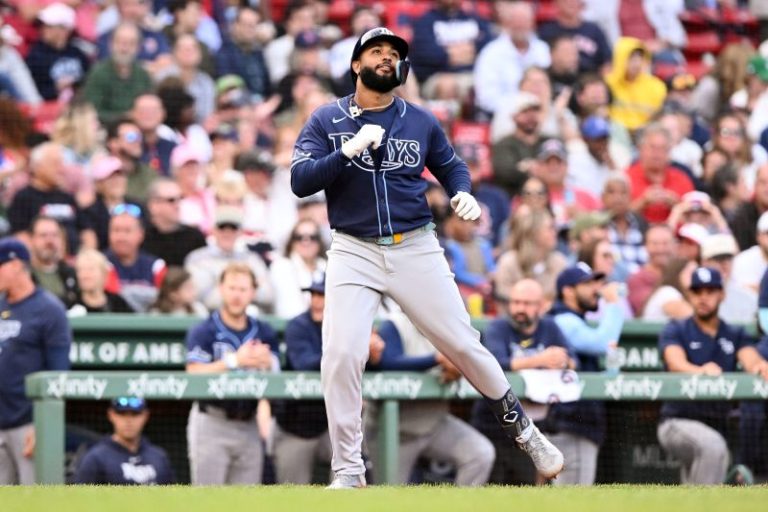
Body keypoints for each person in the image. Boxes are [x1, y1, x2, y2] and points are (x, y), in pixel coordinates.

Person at [290, 27, 563, 489]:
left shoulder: (419, 120)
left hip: (415, 244)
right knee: (340, 353)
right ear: (356, 64)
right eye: (375, 51)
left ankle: (524, 430)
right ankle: (348, 470)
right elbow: (300, 179)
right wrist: (346, 151)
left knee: (463, 343)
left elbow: (452, 164)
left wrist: (461, 192)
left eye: (393, 53)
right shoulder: (326, 118)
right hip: (353, 248)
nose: (385, 58)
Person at [657, 266, 768, 484]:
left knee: (712, 455)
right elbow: (674, 362)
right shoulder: (677, 328)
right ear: (690, 295)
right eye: (698, 292)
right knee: (713, 447)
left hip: (717, 423)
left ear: (722, 294)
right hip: (678, 421)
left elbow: (751, 359)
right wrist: (700, 371)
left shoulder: (734, 333)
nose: (703, 298)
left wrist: (760, 365)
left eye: (710, 291)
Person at [368, 310, 495, 486]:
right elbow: (388, 362)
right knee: (389, 495)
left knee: (480, 453)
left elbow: (476, 360)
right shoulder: (395, 324)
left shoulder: (451, 327)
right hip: (393, 431)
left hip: (434, 423)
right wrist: (436, 358)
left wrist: (457, 369)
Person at [471, 279, 575, 485]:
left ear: (542, 305)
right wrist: (540, 360)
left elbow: (572, 360)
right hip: (494, 426)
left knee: (526, 492)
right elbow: (496, 363)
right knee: (491, 495)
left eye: (527, 304)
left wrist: (562, 360)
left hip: (530, 430)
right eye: (516, 302)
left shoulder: (550, 327)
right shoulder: (498, 326)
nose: (519, 308)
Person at [185, 262, 280, 485]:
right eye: (232, 288)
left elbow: (276, 377)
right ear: (221, 289)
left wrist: (268, 362)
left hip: (249, 422)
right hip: (212, 420)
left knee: (245, 502)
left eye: (243, 289)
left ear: (253, 293)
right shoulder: (204, 330)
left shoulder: (264, 331)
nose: (237, 295)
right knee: (208, 501)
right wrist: (235, 360)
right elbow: (193, 372)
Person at [0, 238, 72, 485]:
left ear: (17, 266)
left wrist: (42, 424)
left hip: (29, 423)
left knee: (34, 501)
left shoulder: (49, 309)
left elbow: (59, 373)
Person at [548, 263, 625, 485]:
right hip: (570, 427)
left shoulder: (576, 320)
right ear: (568, 291)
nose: (596, 289)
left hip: (577, 425)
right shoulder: (562, 320)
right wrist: (613, 303)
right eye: (587, 283)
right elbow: (602, 342)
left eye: (596, 282)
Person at [73, 397, 174, 485]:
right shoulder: (96, 458)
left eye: (135, 414)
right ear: (111, 415)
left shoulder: (158, 457)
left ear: (145, 416)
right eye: (122, 414)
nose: (128, 421)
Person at [104, 205, 167, 312]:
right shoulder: (101, 264)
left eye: (127, 231)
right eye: (116, 230)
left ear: (140, 234)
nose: (121, 237)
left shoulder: (156, 266)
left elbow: (165, 300)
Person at [142, 178, 206, 267]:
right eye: (171, 200)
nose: (177, 205)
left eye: (180, 198)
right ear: (154, 205)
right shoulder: (141, 237)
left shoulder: (194, 237)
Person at [28, 215, 78, 309]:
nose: (50, 241)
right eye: (43, 235)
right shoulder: (24, 276)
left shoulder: (72, 274)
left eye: (54, 235)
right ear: (31, 240)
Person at [71, 249, 134, 314]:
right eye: (80, 270)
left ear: (104, 274)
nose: (84, 275)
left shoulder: (118, 303)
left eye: (90, 269)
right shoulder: (70, 303)